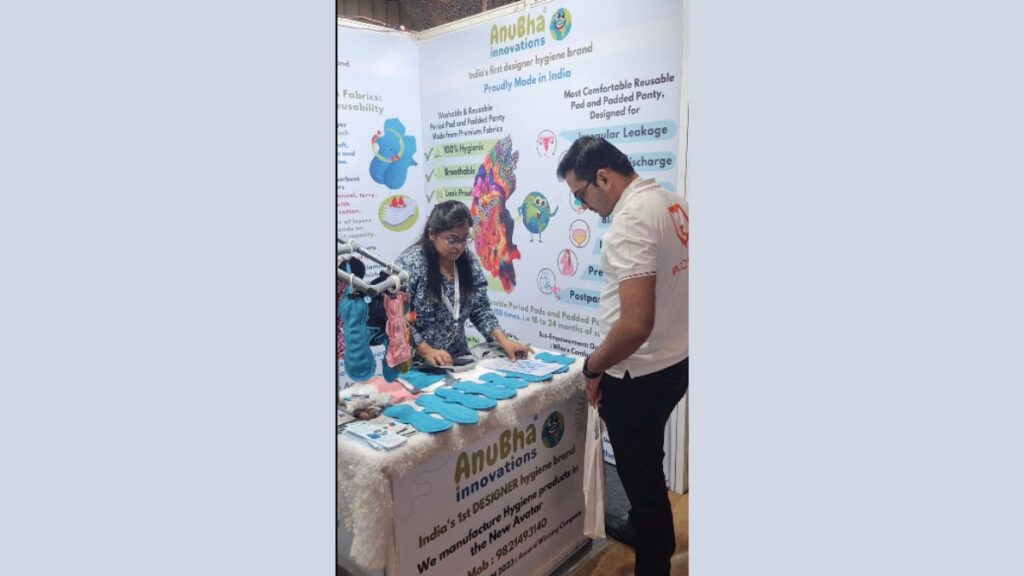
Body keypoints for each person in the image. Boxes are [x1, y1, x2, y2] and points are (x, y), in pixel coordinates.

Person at [557, 136, 689, 576]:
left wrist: (592, 367)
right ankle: (643, 527)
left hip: (637, 375)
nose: (583, 206)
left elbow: (634, 325)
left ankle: (654, 561)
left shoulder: (631, 221)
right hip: (675, 362)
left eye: (581, 194)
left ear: (603, 177)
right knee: (648, 462)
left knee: (641, 479)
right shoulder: (674, 203)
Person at [395, 200, 531, 366]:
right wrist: (427, 351)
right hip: (415, 364)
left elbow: (480, 309)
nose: (459, 247)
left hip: (457, 361)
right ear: (431, 234)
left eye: (464, 239)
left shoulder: (469, 262)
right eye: (452, 240)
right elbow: (397, 319)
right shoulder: (409, 265)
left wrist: (504, 341)